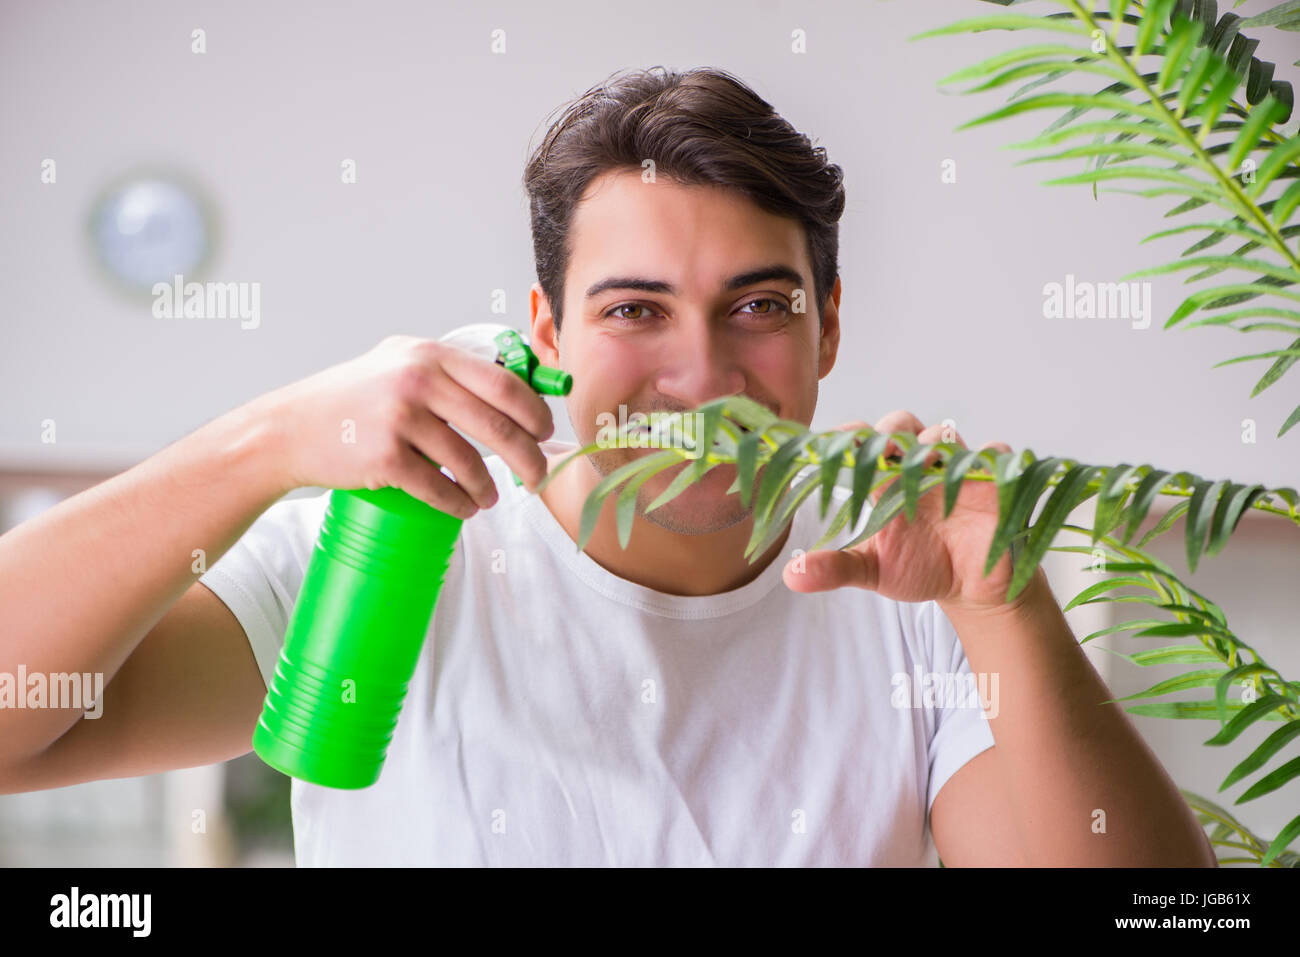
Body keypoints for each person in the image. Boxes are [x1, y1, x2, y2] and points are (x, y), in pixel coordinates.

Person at [0, 66, 1214, 867]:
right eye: (636, 311)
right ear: (546, 330)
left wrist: (1009, 608)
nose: (700, 371)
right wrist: (266, 440)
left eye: (758, 305)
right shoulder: (391, 551)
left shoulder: (920, 611)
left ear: (827, 326)